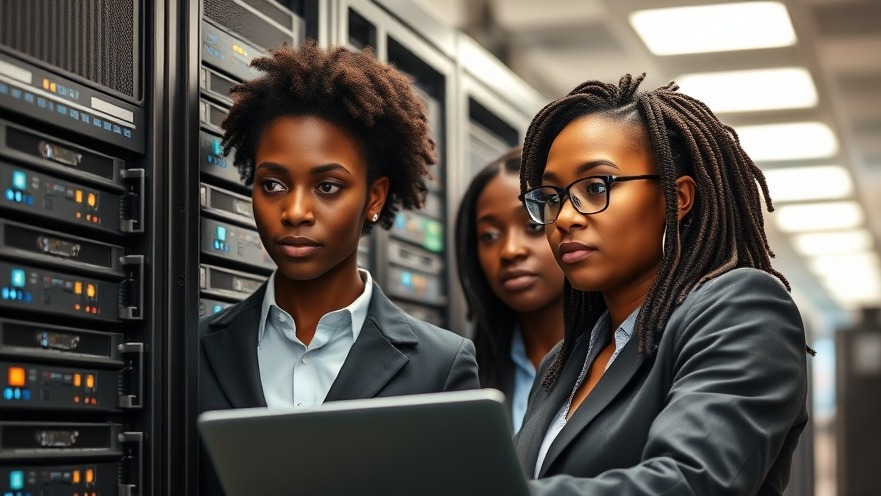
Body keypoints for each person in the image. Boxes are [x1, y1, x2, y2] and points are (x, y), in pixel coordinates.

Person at [198, 42, 479, 494]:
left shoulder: (440, 367)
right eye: (272, 184)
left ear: (374, 197)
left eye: (327, 186)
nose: (294, 211)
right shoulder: (195, 351)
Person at [514, 74, 810, 495]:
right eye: (552, 197)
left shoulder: (743, 310)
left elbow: (690, 482)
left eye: (596, 187)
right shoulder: (563, 362)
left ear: (678, 198)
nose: (565, 218)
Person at [454, 146, 565, 433]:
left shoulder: (630, 356)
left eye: (532, 225)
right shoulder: (463, 377)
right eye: (489, 235)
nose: (510, 250)